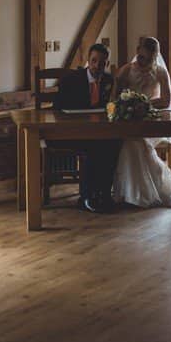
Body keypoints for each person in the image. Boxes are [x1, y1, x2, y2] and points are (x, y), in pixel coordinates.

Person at [112, 36, 171, 208]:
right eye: (142, 58)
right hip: (130, 120)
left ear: (155, 57)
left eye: (149, 59)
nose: (144, 62)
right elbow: (114, 98)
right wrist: (129, 106)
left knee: (135, 142)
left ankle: (135, 193)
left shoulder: (160, 72)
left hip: (152, 120)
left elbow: (165, 100)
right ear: (137, 52)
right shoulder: (126, 70)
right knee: (132, 142)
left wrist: (144, 104)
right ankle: (131, 192)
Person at [54, 43, 120, 214]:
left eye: (102, 63)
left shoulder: (109, 81)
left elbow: (112, 106)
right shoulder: (71, 80)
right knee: (93, 148)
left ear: (107, 63)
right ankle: (86, 197)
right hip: (73, 131)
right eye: (94, 61)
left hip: (99, 131)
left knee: (114, 143)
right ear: (88, 60)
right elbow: (57, 107)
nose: (97, 66)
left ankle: (104, 194)